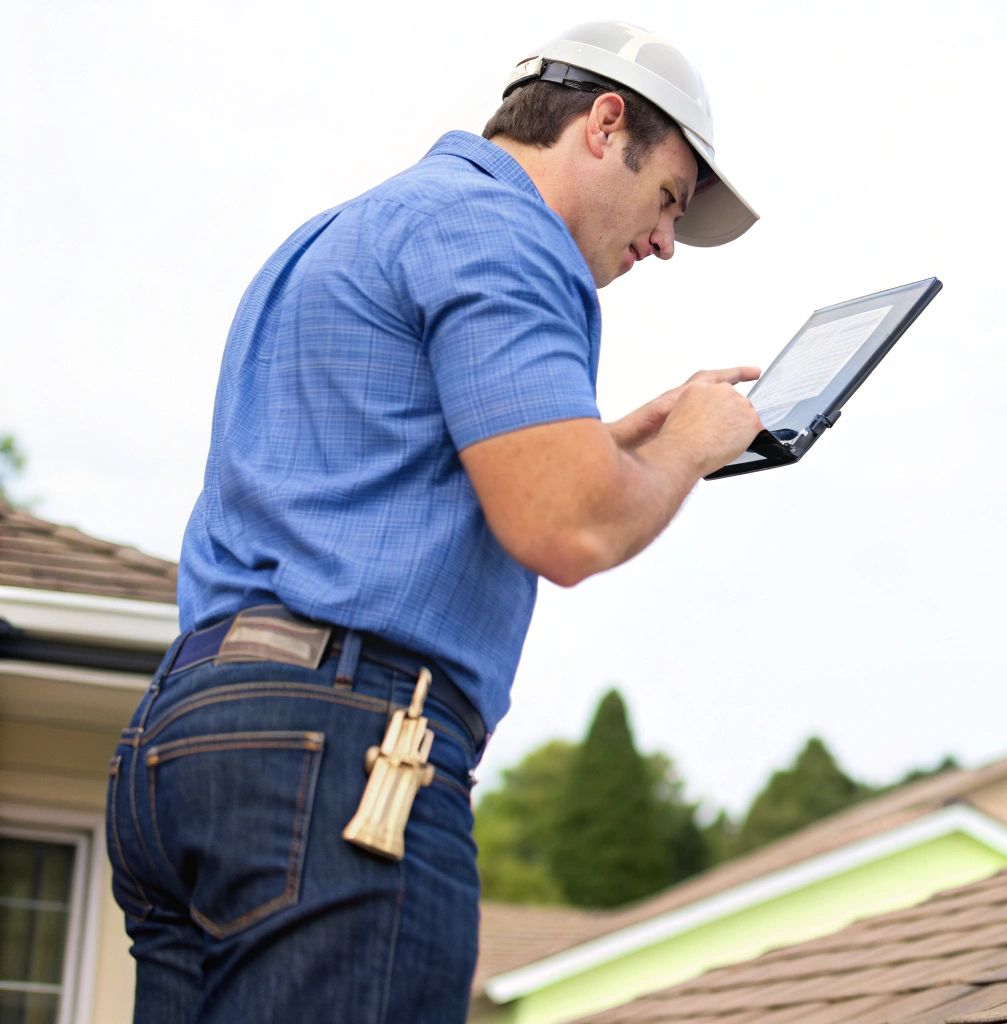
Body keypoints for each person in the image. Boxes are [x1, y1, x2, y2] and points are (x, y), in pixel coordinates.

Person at [103, 22, 759, 1022]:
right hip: (345, 750)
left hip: (191, 742)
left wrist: (611, 445)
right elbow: (569, 529)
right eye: (668, 197)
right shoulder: (505, 233)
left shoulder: (351, 229)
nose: (666, 242)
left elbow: (404, 468)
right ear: (604, 122)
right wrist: (691, 444)